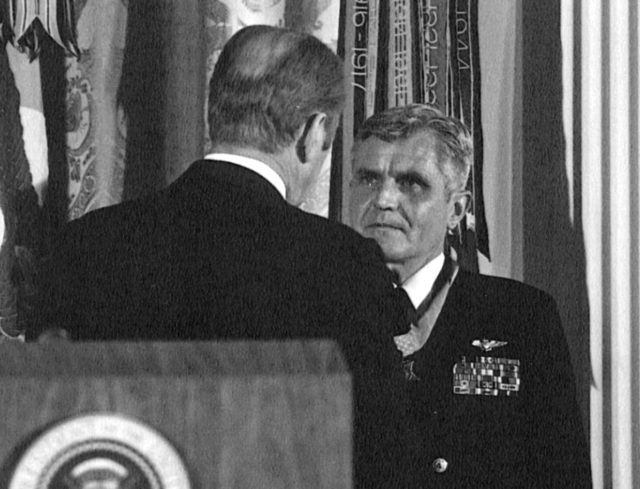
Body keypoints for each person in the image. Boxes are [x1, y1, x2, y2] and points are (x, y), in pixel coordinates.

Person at [32, 25, 405, 488]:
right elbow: (381, 452)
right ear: (314, 132)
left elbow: (44, 434)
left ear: (215, 113)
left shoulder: (84, 245)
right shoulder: (342, 263)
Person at [349, 103, 592, 488]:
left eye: (412, 183)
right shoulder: (317, 308)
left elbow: (562, 472)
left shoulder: (522, 316)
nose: (384, 200)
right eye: (368, 179)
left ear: (456, 209)